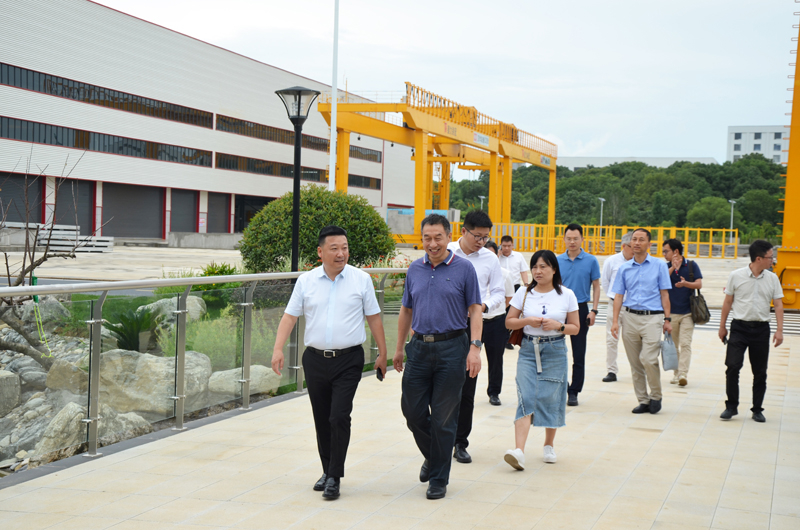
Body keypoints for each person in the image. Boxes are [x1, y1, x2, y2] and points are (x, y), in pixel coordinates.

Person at [271, 225, 388, 500]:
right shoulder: (306, 281)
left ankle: (334, 476)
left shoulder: (361, 279)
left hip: (349, 360)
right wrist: (278, 349)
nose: (341, 253)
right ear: (320, 252)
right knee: (322, 419)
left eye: (344, 248)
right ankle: (327, 469)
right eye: (334, 248)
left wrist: (382, 354)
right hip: (314, 361)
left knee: (338, 417)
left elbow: (374, 318)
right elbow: (289, 317)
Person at [394, 213, 483, 500]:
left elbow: (476, 309)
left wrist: (475, 348)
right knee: (412, 411)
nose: (432, 244)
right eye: (427, 238)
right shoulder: (414, 270)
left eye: (438, 238)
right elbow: (406, 310)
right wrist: (399, 348)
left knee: (444, 418)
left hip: (452, 347)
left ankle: (438, 479)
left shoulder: (464, 269)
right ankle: (434, 456)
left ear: (449, 236)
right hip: (418, 348)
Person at [504, 250, 579, 469]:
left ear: (554, 269)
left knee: (551, 396)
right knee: (525, 396)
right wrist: (526, 320)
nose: (538, 271)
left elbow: (575, 328)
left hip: (555, 350)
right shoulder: (524, 293)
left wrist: (559, 326)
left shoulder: (567, 294)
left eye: (543, 266)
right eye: (534, 266)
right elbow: (509, 322)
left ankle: (549, 444)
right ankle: (519, 451)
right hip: (528, 349)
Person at [447, 210, 505, 463]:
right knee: (442, 387)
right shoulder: (446, 251)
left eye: (485, 237)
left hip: (475, 324)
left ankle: (460, 442)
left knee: (467, 388)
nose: (481, 242)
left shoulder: (490, 259)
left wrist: (483, 306)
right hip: (446, 326)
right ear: (463, 231)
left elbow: (499, 292)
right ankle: (440, 438)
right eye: (477, 236)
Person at [718, 240, 784, 423]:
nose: (773, 260)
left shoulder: (773, 279)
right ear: (759, 258)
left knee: (760, 372)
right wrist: (722, 326)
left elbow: (778, 304)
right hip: (739, 328)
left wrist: (779, 330)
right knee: (732, 366)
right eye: (771, 257)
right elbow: (728, 302)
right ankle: (731, 406)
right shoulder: (736, 276)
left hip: (761, 330)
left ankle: (757, 409)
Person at [610, 228, 672, 414]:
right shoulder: (624, 268)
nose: (637, 243)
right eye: (634, 239)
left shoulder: (659, 266)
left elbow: (664, 294)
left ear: (649, 244)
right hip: (629, 317)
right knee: (635, 362)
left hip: (652, 318)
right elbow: (618, 296)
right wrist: (615, 321)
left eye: (641, 239)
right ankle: (643, 400)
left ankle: (656, 395)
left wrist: (667, 319)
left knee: (648, 358)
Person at [557, 223, 601, 406]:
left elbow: (597, 286)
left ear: (582, 239)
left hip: (581, 309)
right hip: (559, 309)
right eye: (569, 238)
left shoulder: (591, 261)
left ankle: (574, 390)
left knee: (578, 352)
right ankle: (560, 386)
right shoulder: (557, 260)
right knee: (557, 351)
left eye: (576, 238)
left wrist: (594, 310)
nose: (572, 242)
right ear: (564, 239)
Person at [662, 238, 703, 387]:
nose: (664, 254)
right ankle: (676, 373)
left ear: (676, 251)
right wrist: (673, 267)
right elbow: (661, 281)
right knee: (673, 345)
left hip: (688, 313)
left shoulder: (691, 265)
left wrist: (686, 283)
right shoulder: (665, 267)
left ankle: (683, 373)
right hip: (671, 314)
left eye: (666, 251)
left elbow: (699, 283)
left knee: (685, 344)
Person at [483, 240, 516, 405]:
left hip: (496, 322)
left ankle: (494, 392)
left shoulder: (505, 273)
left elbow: (509, 297)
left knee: (496, 360)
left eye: (492, 254)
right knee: (467, 357)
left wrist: (495, 308)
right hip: (475, 321)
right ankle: (464, 390)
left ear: (498, 254)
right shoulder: (475, 271)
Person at [600, 231, 633, 382]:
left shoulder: (639, 262)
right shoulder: (612, 261)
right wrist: (614, 298)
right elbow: (606, 282)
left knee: (633, 340)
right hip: (615, 305)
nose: (636, 249)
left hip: (633, 307)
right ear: (624, 246)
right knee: (611, 338)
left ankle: (637, 370)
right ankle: (611, 370)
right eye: (632, 246)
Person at [499, 235, 529, 350]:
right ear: (501, 245)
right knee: (502, 312)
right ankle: (503, 337)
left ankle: (508, 339)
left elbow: (523, 271)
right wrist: (498, 255)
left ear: (512, 245)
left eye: (509, 246)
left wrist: (526, 285)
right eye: (504, 246)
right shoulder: (497, 257)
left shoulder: (518, 256)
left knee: (513, 313)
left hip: (515, 287)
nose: (506, 248)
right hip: (501, 288)